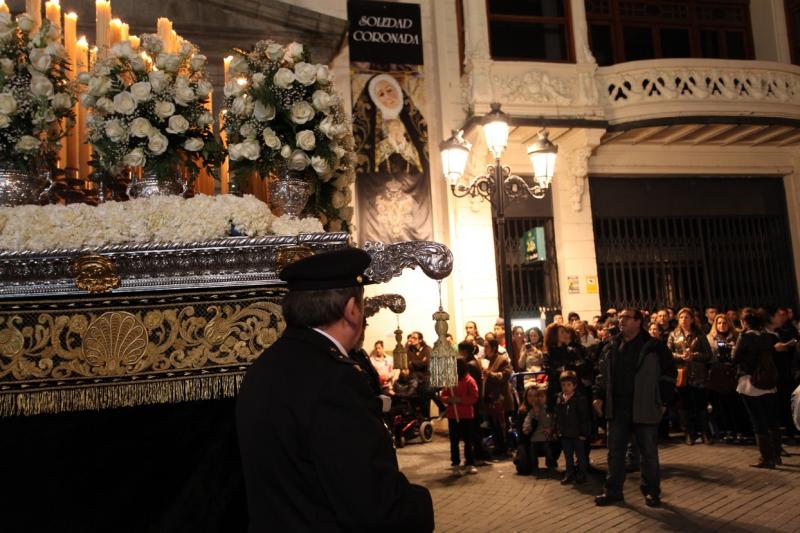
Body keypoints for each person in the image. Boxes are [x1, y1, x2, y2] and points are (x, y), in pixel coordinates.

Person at [236, 248, 433, 532]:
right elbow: (374, 508)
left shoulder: (263, 368)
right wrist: (420, 504)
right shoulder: (334, 380)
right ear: (352, 310)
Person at [593, 308, 676, 508]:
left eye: (626, 318)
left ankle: (651, 492)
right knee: (615, 452)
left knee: (648, 453)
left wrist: (663, 401)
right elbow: (602, 374)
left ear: (639, 322)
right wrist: (598, 395)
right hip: (618, 407)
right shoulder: (611, 345)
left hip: (644, 405)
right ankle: (613, 491)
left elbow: (668, 375)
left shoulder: (654, 346)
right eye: (620, 318)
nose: (621, 321)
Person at [352, 73, 432, 243]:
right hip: (379, 193)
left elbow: (422, 160)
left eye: (390, 90)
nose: (388, 97)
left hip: (411, 192)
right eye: (381, 94)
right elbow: (364, 159)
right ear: (374, 99)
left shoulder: (413, 124)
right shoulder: (371, 126)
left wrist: (402, 143)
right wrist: (390, 143)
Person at [732, 308, 781, 468]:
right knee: (771, 418)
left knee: (757, 419)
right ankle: (776, 455)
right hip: (768, 381)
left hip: (750, 381)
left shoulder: (745, 337)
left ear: (744, 322)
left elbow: (736, 357)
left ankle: (766, 458)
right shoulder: (769, 337)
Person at [667, 308, 714, 445]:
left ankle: (705, 433)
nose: (684, 319)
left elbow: (708, 355)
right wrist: (679, 356)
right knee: (684, 405)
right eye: (681, 317)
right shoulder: (673, 335)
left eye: (687, 317)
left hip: (698, 374)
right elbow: (668, 354)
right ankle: (688, 434)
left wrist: (694, 356)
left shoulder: (699, 335)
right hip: (682, 374)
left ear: (692, 319)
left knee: (701, 405)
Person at [440, 358, 480, 476]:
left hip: (466, 415)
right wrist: (448, 399)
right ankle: (455, 464)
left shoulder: (469, 381)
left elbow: (474, 397)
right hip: (453, 415)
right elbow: (443, 395)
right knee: (454, 441)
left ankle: (470, 463)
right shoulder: (450, 381)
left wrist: (460, 400)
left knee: (468, 440)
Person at [555, 371, 591, 485]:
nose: (566, 388)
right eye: (563, 385)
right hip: (565, 433)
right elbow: (558, 416)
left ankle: (582, 474)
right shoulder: (560, 398)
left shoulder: (579, 399)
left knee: (580, 456)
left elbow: (584, 417)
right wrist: (558, 430)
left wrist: (583, 433)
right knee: (568, 456)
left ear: (574, 385)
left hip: (577, 433)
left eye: (568, 385)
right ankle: (569, 474)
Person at [483, 339, 514, 456]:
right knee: (493, 424)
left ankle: (505, 448)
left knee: (502, 425)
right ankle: (497, 446)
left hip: (501, 397)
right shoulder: (486, 360)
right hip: (490, 398)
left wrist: (490, 374)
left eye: (487, 346)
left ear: (494, 347)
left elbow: (506, 374)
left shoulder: (502, 359)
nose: (484, 349)